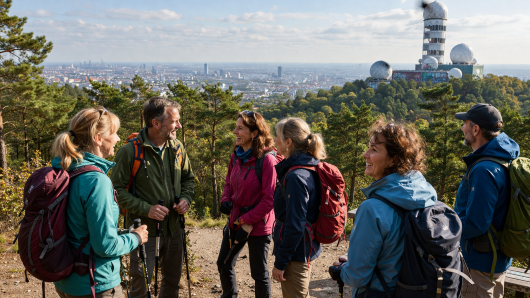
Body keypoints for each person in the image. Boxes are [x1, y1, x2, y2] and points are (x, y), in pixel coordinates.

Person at [52, 107, 149, 298]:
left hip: (66, 279)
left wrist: (120, 233)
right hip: (96, 283)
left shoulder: (65, 169)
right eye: (114, 133)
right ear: (98, 138)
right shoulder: (97, 181)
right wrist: (136, 237)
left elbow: (79, 227)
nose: (119, 139)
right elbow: (105, 246)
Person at [335, 120, 437, 297]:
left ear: (394, 159)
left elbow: (357, 277)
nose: (365, 155)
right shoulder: (427, 195)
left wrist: (341, 270)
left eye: (374, 150)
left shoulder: (372, 209)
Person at [111, 97, 195, 298]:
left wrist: (186, 199)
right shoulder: (129, 151)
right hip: (143, 231)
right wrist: (146, 209)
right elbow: (115, 191)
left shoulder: (177, 148)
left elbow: (188, 179)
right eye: (174, 121)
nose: (179, 125)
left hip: (174, 228)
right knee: (141, 285)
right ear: (156, 123)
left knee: (172, 284)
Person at [454, 104, 519, 298]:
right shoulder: (502, 159)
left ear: (476, 129)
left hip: (478, 265)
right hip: (495, 259)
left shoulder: (484, 169)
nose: (462, 128)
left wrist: (446, 226)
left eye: (465, 124)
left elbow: (477, 223)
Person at [217, 110, 278, 298]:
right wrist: (225, 200)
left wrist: (246, 220)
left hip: (258, 225)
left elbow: (269, 199)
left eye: (240, 128)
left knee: (258, 273)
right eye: (235, 127)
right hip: (236, 220)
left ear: (254, 133)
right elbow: (228, 182)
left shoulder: (267, 160)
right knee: (224, 263)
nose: (235, 132)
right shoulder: (237, 155)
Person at [271, 117, 325, 298]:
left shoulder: (296, 176)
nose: (274, 140)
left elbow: (295, 224)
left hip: (296, 253)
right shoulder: (309, 165)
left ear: (288, 142)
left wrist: (281, 262)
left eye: (277, 136)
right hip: (302, 248)